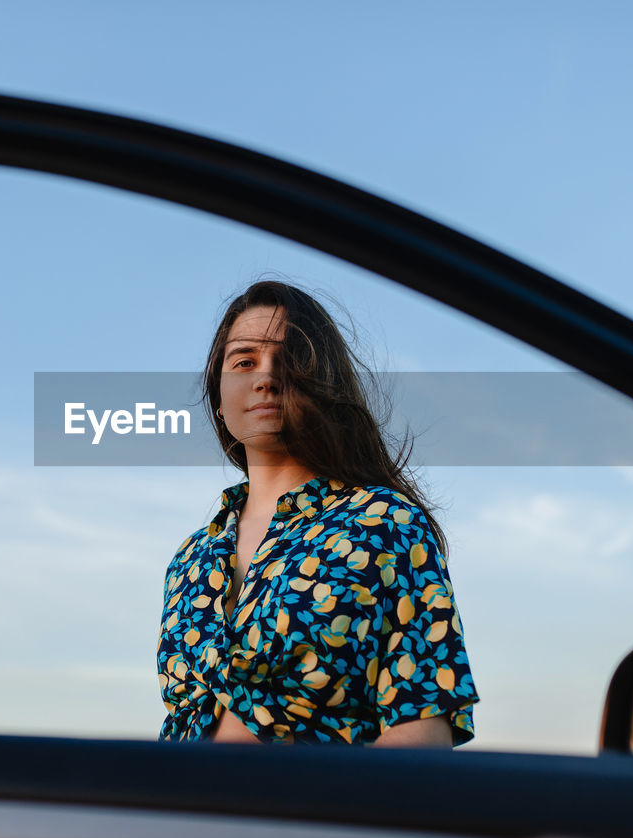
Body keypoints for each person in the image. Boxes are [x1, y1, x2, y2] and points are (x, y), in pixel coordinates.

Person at [156, 279, 478, 747]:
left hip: (312, 814)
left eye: (288, 361)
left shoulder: (386, 524)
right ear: (219, 400)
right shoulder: (191, 557)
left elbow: (422, 727)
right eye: (244, 362)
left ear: (322, 384)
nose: (265, 377)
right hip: (176, 813)